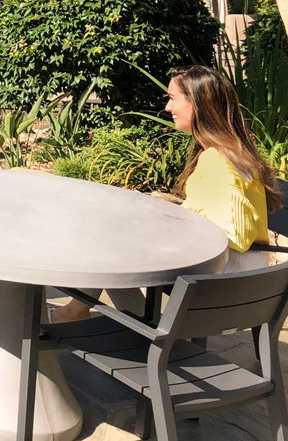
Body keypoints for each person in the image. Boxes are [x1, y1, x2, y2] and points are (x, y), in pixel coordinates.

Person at [51, 64, 283, 323]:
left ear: (197, 103)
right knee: (119, 243)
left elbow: (231, 234)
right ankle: (115, 317)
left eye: (173, 99)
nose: (167, 108)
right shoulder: (234, 153)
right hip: (248, 280)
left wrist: (165, 226)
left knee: (113, 246)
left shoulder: (218, 161)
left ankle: (83, 313)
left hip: (224, 286)